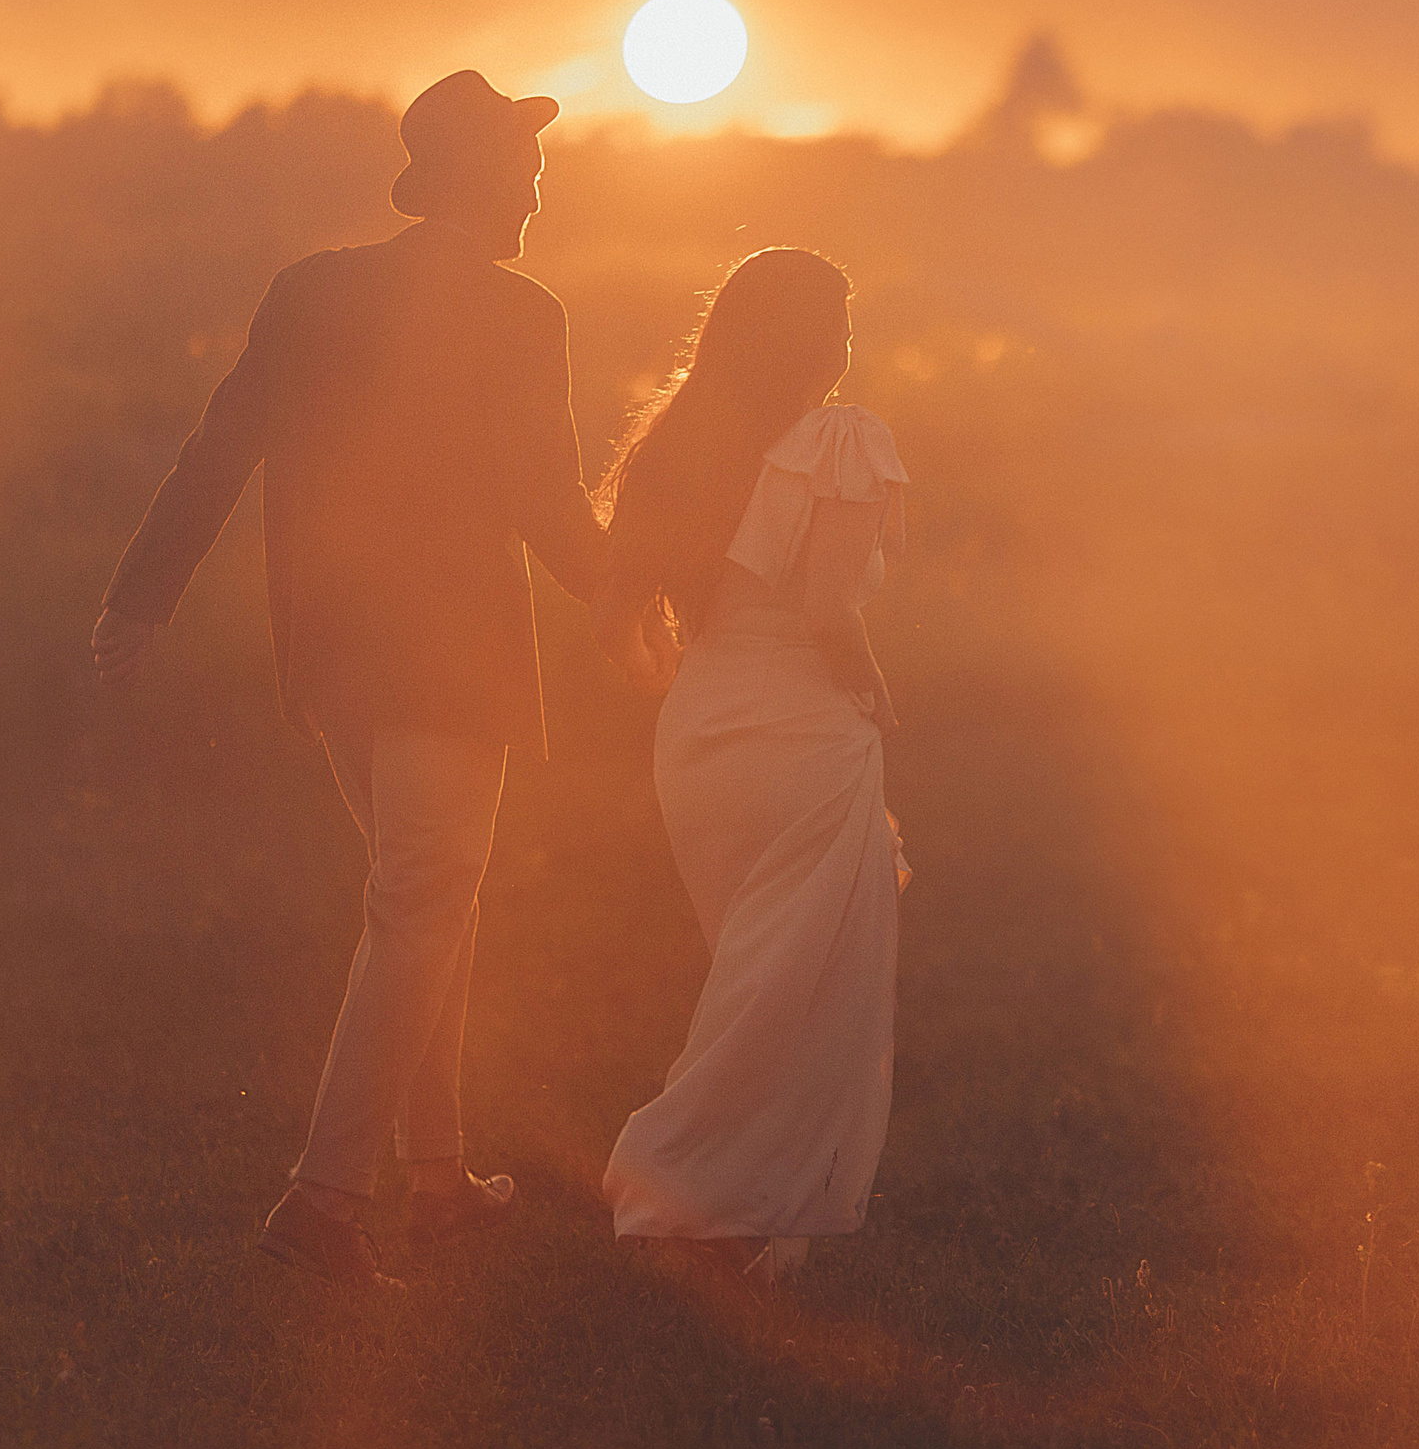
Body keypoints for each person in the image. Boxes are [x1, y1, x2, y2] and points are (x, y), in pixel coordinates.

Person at [90, 71, 656, 1290]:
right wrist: (630, 596)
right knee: (423, 904)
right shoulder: (522, 314)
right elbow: (546, 500)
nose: (541, 186)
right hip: (450, 662)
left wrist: (142, 595)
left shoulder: (312, 290)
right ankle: (327, 1200)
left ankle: (441, 1181)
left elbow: (221, 445)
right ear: (493, 183)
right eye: (529, 166)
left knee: (426, 901)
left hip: (332, 652)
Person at [593, 246, 910, 1285]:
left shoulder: (687, 439)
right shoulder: (841, 441)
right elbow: (826, 610)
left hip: (703, 731)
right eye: (842, 321)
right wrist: (875, 695)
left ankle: (739, 1211)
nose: (849, 344)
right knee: (792, 987)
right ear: (817, 341)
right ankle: (673, 1179)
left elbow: (637, 624)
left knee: (758, 974)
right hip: (796, 732)